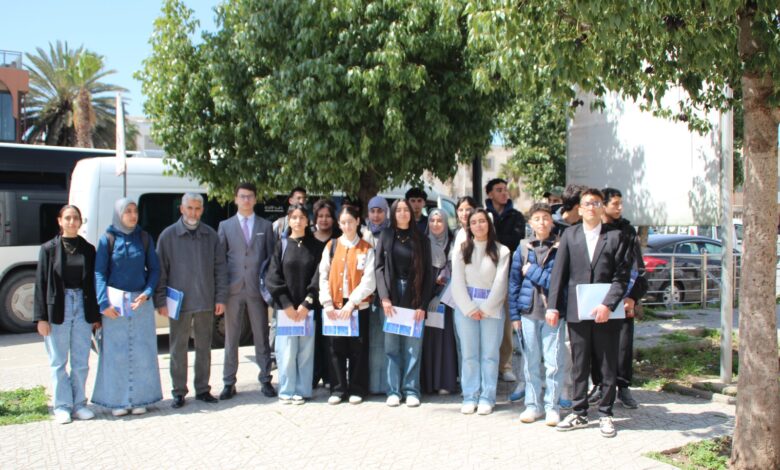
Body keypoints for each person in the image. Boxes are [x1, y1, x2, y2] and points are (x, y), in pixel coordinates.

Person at [548, 188, 631, 438]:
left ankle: (605, 413)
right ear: (580, 208)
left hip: (607, 312)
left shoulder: (615, 236)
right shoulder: (570, 235)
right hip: (578, 310)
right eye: (587, 203)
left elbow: (622, 277)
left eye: (596, 203)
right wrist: (553, 306)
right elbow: (559, 274)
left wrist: (608, 304)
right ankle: (579, 412)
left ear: (601, 207)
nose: (591, 207)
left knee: (607, 364)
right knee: (580, 364)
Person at [154, 193, 228, 409]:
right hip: (178, 303)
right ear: (182, 209)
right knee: (178, 348)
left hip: (205, 300)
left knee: (204, 347)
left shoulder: (211, 236)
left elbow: (220, 269)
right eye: (190, 208)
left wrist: (221, 297)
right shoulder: (168, 236)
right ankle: (179, 391)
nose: (193, 213)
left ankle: (203, 389)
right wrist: (160, 300)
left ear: (202, 210)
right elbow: (160, 271)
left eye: (197, 208)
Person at [92, 198, 162, 416]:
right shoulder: (107, 239)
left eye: (135, 211)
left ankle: (141, 399)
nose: (133, 215)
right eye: (127, 211)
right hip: (114, 304)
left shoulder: (144, 238)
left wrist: (147, 293)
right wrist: (103, 303)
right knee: (116, 354)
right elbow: (99, 272)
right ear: (118, 214)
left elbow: (154, 269)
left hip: (140, 302)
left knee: (142, 352)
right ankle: (117, 401)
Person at [34, 205, 101, 424]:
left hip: (82, 305)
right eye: (68, 218)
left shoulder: (88, 249)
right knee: (58, 361)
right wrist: (41, 318)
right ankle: (62, 406)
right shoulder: (48, 249)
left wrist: (96, 316)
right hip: (58, 307)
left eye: (76, 218)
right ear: (60, 221)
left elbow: (93, 283)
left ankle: (79, 404)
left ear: (81, 222)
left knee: (81, 360)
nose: (72, 222)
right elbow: (41, 283)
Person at [587, 188, 648, 409]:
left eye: (621, 203)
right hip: (596, 296)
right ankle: (599, 385)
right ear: (603, 205)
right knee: (596, 345)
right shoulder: (593, 229)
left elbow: (637, 267)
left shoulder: (627, 231)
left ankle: (623, 386)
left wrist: (632, 297)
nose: (620, 208)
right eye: (615, 204)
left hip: (622, 296)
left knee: (622, 345)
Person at [218, 182, 277, 400]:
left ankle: (266, 379)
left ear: (255, 199)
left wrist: (268, 289)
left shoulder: (265, 226)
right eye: (242, 196)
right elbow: (220, 261)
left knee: (261, 336)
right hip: (233, 290)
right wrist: (220, 292)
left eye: (250, 196)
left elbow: (271, 260)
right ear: (235, 199)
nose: (246, 200)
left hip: (256, 290)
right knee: (231, 338)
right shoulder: (225, 226)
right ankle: (228, 382)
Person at [508, 203, 564, 426]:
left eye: (546, 218)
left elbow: (558, 282)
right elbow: (513, 283)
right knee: (529, 362)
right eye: (537, 218)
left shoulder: (561, 247)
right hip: (527, 313)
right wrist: (514, 316)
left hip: (553, 312)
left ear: (552, 221)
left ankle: (552, 407)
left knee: (553, 363)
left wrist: (532, 271)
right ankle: (533, 405)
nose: (542, 222)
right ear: (530, 223)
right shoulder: (523, 248)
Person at [451, 208, 511, 415]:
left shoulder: (502, 251)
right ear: (469, 226)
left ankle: (487, 396)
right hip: (466, 306)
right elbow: (457, 282)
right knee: (469, 354)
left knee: (490, 355)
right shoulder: (461, 250)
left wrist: (486, 308)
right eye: (474, 222)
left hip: (491, 308)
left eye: (482, 221)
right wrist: (469, 308)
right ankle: (470, 395)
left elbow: (501, 283)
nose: (478, 225)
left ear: (489, 224)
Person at [375, 199, 433, 407]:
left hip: (414, 295)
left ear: (411, 213)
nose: (402, 213)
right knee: (391, 346)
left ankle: (411, 390)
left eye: (405, 209)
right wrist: (384, 297)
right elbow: (379, 268)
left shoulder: (422, 239)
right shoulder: (386, 235)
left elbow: (429, 273)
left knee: (412, 348)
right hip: (391, 296)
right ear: (393, 213)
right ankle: (393, 391)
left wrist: (422, 305)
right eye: (398, 210)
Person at [265, 204, 324, 404]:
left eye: (302, 217)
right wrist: (286, 304)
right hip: (286, 311)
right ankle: (286, 390)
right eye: (294, 217)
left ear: (308, 221)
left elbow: (319, 277)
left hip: (307, 309)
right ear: (288, 220)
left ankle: (302, 390)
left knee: (305, 353)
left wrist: (307, 303)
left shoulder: (316, 247)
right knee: (286, 352)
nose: (298, 221)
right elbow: (273, 277)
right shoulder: (281, 246)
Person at [318, 205, 376, 405]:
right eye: (343, 222)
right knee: (335, 348)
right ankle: (338, 388)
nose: (347, 226)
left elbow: (369, 281)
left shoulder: (366, 248)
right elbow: (323, 276)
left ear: (358, 221)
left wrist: (351, 303)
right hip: (334, 305)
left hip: (357, 306)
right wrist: (327, 302)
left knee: (358, 347)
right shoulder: (331, 246)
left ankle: (357, 388)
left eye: (350, 221)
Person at [484, 178, 525, 385]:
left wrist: (495, 239)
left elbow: (515, 241)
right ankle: (488, 365)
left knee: (507, 324)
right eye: (499, 190)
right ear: (489, 193)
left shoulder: (516, 216)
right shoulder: (483, 215)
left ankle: (505, 365)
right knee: (486, 322)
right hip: (484, 277)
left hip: (508, 275)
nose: (504, 193)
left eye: (505, 190)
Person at [420, 208, 459, 395]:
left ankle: (444, 381)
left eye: (440, 221)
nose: (435, 224)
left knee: (445, 341)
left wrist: (440, 296)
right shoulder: (422, 243)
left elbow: (455, 272)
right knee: (427, 341)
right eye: (432, 220)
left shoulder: (453, 244)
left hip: (446, 299)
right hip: (424, 299)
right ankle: (428, 383)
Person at [363, 195, 391, 395]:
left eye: (380, 211)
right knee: (372, 342)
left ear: (386, 212)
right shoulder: (363, 234)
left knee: (387, 341)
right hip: (367, 295)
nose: (376, 215)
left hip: (387, 295)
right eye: (372, 211)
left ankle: (388, 384)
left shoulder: (391, 233)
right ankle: (373, 385)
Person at [310, 198, 339, 388]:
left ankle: (330, 376)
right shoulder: (308, 238)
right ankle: (313, 375)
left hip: (331, 296)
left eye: (328, 216)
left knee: (330, 338)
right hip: (310, 295)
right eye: (320, 216)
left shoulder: (338, 240)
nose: (324, 219)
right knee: (313, 337)